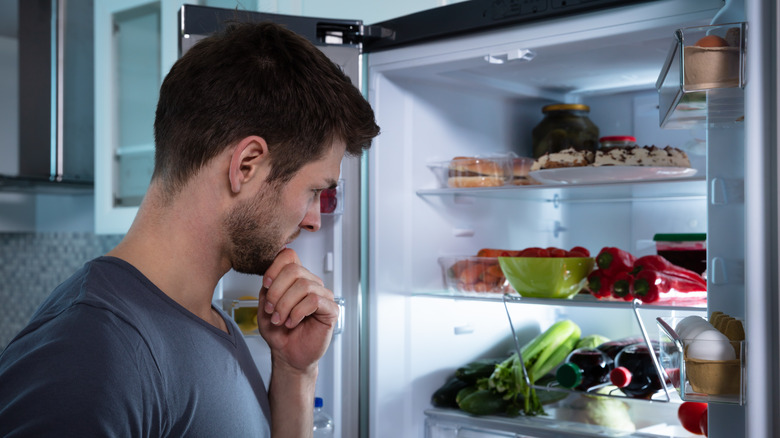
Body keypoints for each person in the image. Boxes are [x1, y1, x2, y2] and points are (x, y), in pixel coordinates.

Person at [0, 20, 379, 437]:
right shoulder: (89, 353)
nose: (312, 219)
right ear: (246, 165)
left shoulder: (209, 323)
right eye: (313, 191)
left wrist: (294, 373)